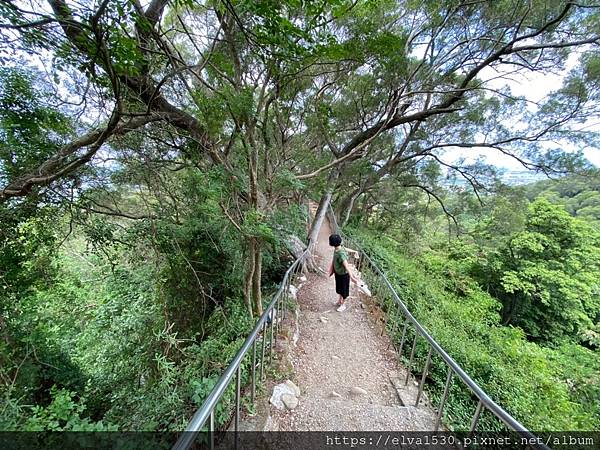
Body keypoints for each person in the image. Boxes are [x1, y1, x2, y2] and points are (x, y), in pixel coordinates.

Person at [328, 234, 360, 312]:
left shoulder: (341, 254)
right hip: (338, 273)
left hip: (344, 275)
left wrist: (352, 277)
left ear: (332, 243)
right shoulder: (338, 248)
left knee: (344, 290)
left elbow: (346, 266)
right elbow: (346, 249)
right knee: (339, 288)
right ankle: (340, 301)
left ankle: (343, 304)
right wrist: (354, 251)